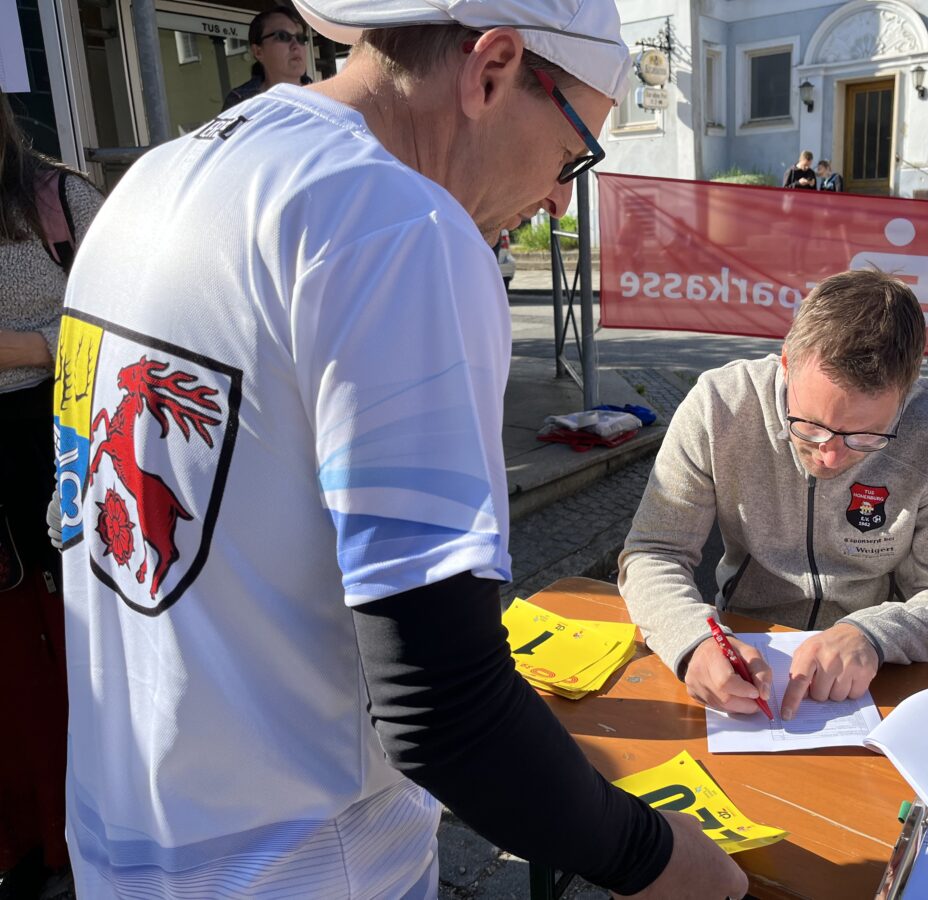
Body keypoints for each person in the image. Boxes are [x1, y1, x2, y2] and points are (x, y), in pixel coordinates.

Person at [51, 2, 747, 898]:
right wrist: (663, 861)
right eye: (575, 151)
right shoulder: (398, 226)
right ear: (492, 69)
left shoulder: (159, 175)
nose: (559, 197)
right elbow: (441, 708)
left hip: (125, 839)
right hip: (299, 864)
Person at [620, 270, 928, 719]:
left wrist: (874, 634)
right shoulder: (719, 406)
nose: (830, 455)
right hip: (744, 638)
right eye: (809, 424)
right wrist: (692, 639)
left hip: (882, 668)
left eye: (866, 436)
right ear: (786, 362)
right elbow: (652, 552)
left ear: (908, 392)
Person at [0, 91, 102, 900]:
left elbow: (129, 321)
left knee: (79, 648)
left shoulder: (59, 197)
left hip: (59, 439)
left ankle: (88, 830)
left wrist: (21, 348)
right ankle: (26, 839)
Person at [221, 5, 313, 111]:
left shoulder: (324, 97)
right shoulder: (240, 103)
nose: (296, 46)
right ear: (258, 52)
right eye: (282, 36)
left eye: (301, 38)